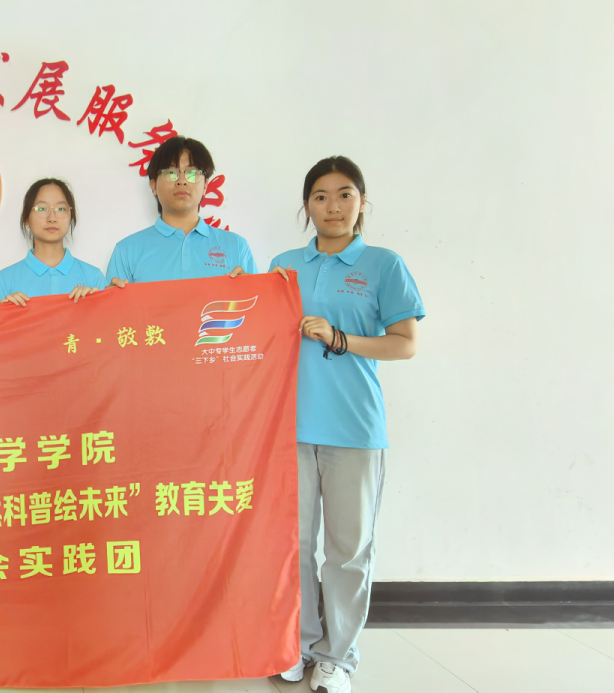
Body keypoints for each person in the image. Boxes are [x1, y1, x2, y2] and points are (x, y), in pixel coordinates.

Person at [270, 157, 424, 692]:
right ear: (306, 205)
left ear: (362, 202)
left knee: (348, 550)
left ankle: (337, 657)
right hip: (288, 428)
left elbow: (405, 343)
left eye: (344, 195)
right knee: (292, 545)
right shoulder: (284, 265)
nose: (332, 207)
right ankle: (296, 645)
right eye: (320, 196)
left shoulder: (383, 264)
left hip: (355, 429)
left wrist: (340, 339)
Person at [105, 136, 282, 285]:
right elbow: (114, 314)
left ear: (205, 186)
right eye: (171, 173)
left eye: (192, 173)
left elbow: (255, 310)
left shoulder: (236, 247)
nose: (182, 181)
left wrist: (263, 289)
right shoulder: (127, 251)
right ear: (153, 185)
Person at [0, 178, 105, 306]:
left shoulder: (93, 277)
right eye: (41, 208)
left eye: (61, 209)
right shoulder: (5, 280)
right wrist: (7, 310)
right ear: (26, 219)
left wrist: (93, 304)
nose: (52, 218)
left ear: (71, 216)